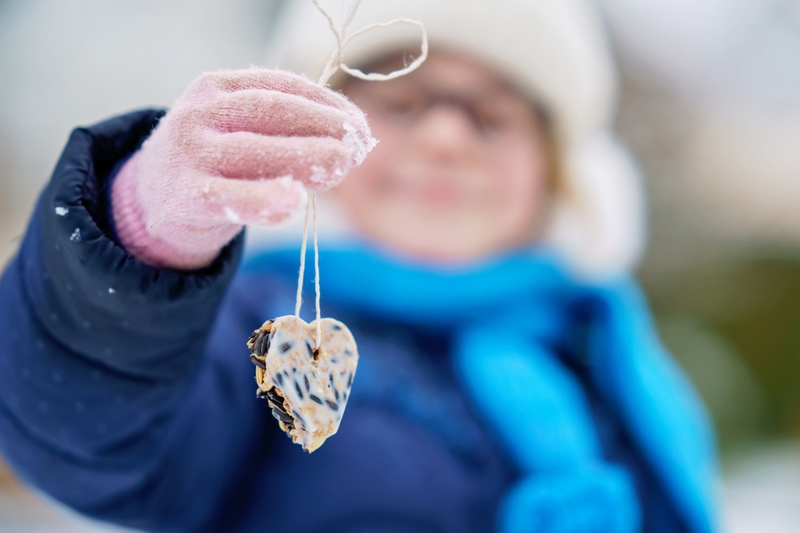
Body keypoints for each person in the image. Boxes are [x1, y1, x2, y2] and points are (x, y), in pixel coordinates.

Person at [0, 0, 718, 531]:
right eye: (402, 103)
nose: (444, 139)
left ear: (557, 175)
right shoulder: (252, 323)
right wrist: (140, 240)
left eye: (491, 118)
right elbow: (85, 432)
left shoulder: (602, 351)